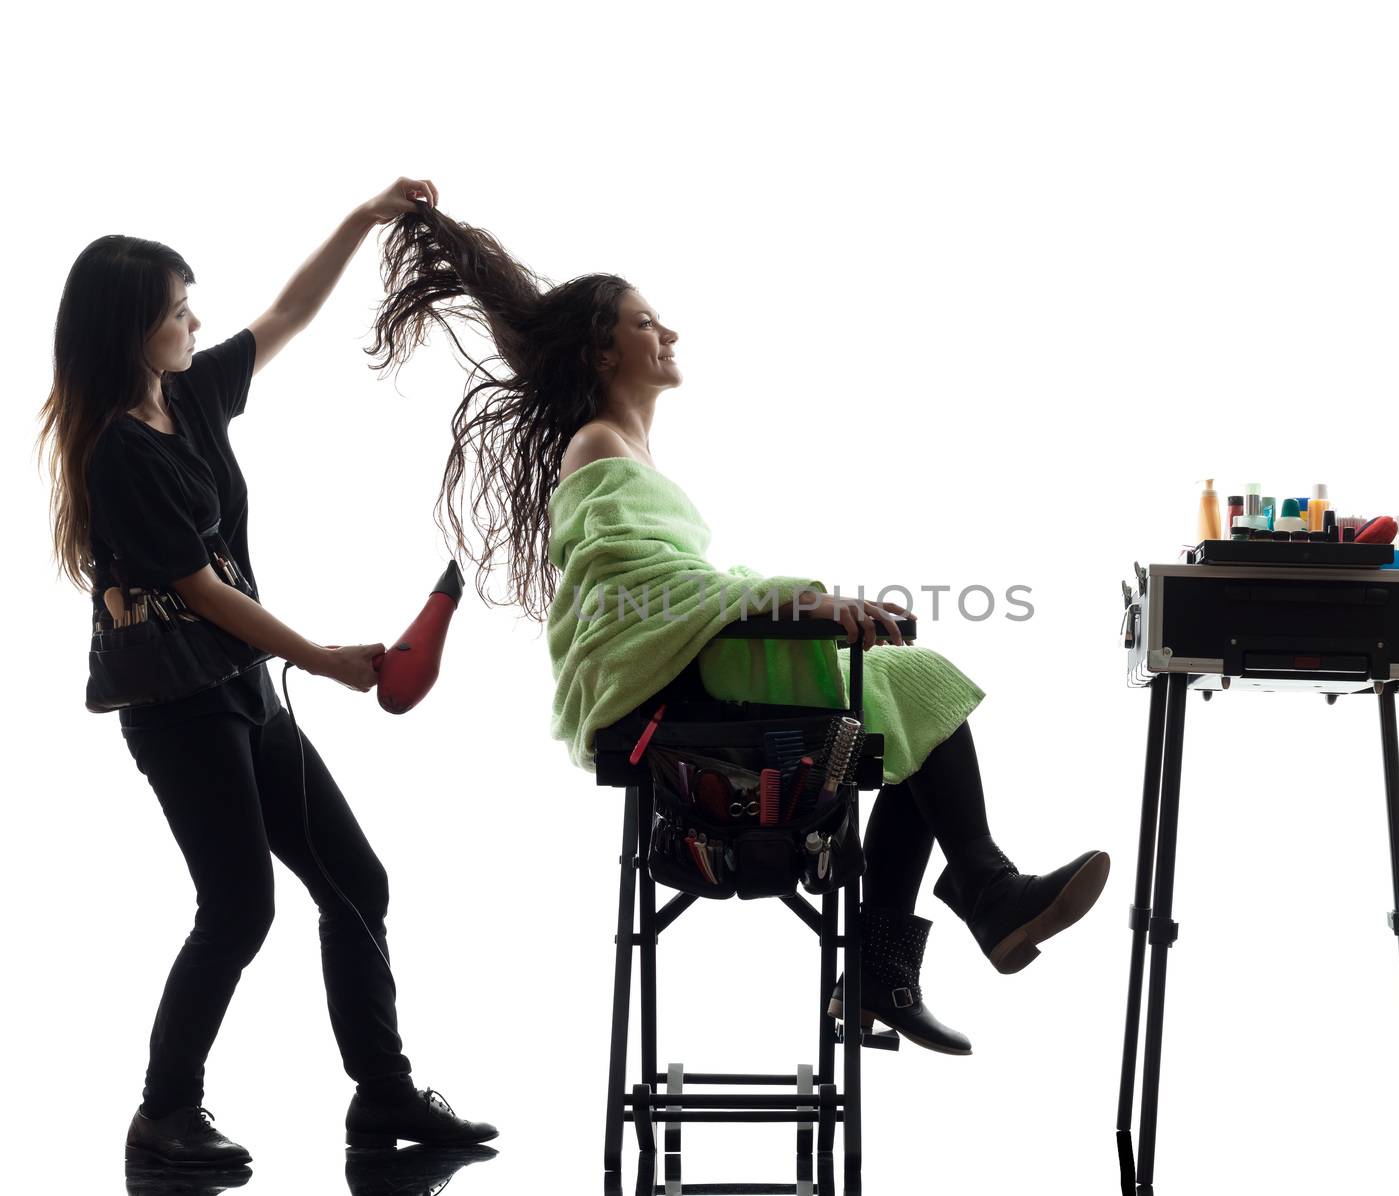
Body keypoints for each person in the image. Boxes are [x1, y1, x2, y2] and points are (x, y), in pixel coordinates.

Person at [368, 202, 1110, 1057]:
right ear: (603, 351)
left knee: (910, 712)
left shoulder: (620, 449)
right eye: (646, 322)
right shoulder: (599, 445)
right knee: (922, 684)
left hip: (691, 678)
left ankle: (891, 968)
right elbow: (642, 595)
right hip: (669, 700)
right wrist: (812, 607)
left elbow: (684, 586)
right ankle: (979, 893)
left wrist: (818, 607)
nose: (669, 332)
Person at [38, 178, 496, 1171]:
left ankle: (382, 1096)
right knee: (240, 908)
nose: (195, 320)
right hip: (179, 705)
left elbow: (289, 311)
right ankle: (164, 1111)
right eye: (177, 311)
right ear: (131, 330)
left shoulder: (189, 393)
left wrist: (365, 218)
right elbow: (201, 590)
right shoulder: (117, 451)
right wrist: (324, 658)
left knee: (355, 881)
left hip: (240, 689)